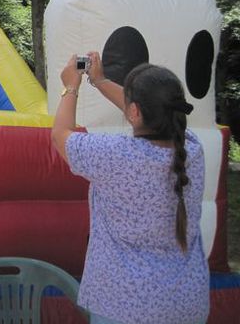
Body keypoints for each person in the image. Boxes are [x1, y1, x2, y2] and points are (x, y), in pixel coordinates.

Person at [51, 52, 209, 324]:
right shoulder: (193, 150)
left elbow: (59, 136)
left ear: (134, 111)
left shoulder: (113, 154)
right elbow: (151, 111)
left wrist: (71, 86)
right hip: (187, 303)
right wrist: (100, 81)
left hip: (123, 307)